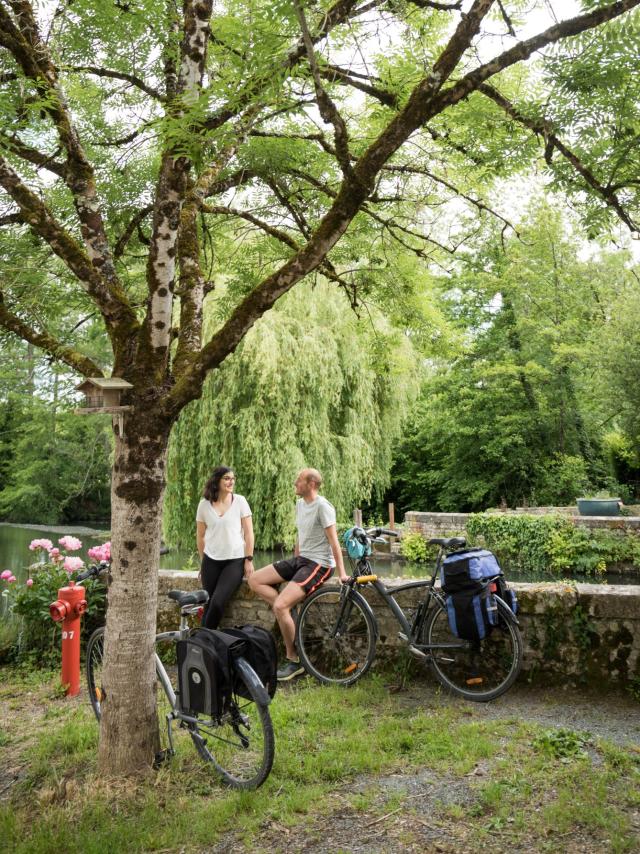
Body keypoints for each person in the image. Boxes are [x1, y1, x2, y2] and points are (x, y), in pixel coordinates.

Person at [249, 467, 347, 681]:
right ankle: (287, 611)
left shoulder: (323, 507)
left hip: (319, 564)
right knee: (254, 579)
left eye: (299, 480)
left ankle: (294, 660)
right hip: (302, 560)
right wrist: (293, 562)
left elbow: (334, 542)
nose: (295, 482)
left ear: (311, 484)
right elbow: (300, 536)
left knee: (280, 606)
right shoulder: (300, 504)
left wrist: (342, 573)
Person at [196, 466, 254, 629]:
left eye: (233, 478)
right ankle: (203, 644)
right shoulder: (204, 505)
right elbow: (200, 537)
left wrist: (248, 559)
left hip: (234, 561)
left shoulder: (240, 501)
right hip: (210, 561)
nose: (231, 482)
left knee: (217, 602)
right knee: (208, 603)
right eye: (227, 478)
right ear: (217, 481)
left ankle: (202, 639)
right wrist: (203, 562)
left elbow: (249, 533)